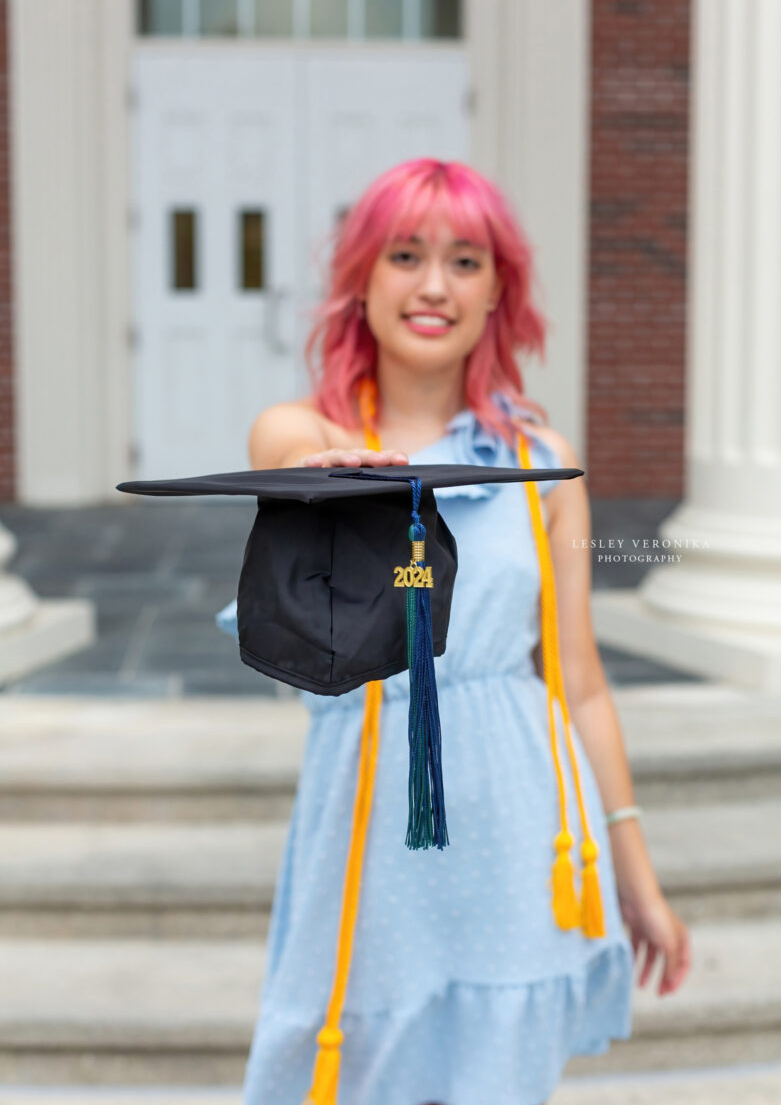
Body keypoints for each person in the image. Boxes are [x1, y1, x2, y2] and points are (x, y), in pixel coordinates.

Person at [216, 157, 691, 1105]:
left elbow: (580, 682)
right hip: (373, 835)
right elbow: (283, 448)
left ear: (497, 292)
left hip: (520, 825)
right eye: (405, 255)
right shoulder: (305, 434)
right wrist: (337, 471)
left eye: (466, 261)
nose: (434, 284)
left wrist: (635, 871)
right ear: (361, 281)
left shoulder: (541, 463)